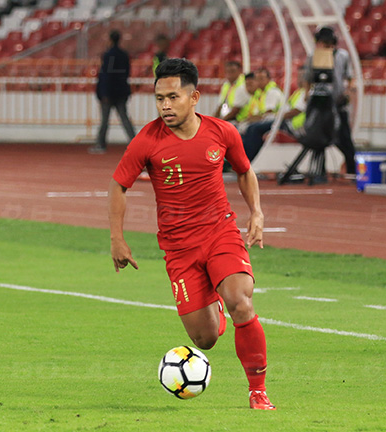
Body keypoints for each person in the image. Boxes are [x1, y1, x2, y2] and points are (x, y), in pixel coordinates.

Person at [107, 58, 275, 410]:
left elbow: (245, 171)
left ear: (194, 97)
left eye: (173, 97)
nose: (165, 106)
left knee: (241, 301)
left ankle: (257, 391)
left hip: (220, 233)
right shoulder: (147, 140)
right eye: (159, 99)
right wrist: (117, 239)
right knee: (205, 338)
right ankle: (216, 306)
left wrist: (257, 212)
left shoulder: (222, 132)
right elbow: (119, 185)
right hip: (179, 249)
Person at [311, 27, 357, 175]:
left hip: (338, 103)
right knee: (319, 138)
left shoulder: (342, 56)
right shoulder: (314, 56)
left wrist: (347, 92)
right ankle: (320, 171)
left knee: (344, 138)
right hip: (321, 104)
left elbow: (350, 77)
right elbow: (309, 77)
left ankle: (352, 171)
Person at [241, 70, 310, 161]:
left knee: (254, 128)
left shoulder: (307, 94)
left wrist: (277, 117)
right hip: (286, 122)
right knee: (249, 128)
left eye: (303, 77)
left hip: (294, 127)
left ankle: (249, 160)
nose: (300, 80)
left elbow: (295, 112)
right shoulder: (298, 92)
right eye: (299, 77)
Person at [91, 30, 136, 154]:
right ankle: (135, 144)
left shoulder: (108, 55)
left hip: (109, 92)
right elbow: (126, 73)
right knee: (125, 118)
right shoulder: (124, 55)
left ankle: (101, 144)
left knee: (105, 120)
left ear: (110, 40)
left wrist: (103, 92)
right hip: (121, 91)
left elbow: (106, 75)